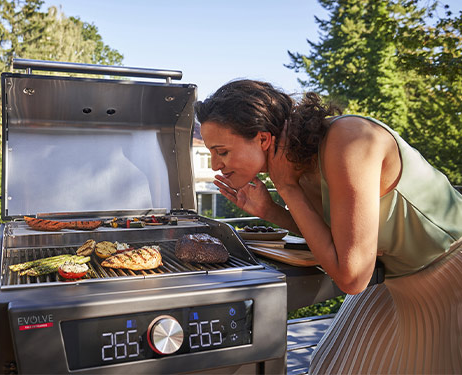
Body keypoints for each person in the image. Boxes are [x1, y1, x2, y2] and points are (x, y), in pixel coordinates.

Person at [195, 79, 462, 374]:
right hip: (396, 281)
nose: (215, 165)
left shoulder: (350, 141)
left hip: (447, 277)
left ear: (262, 139)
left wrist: (286, 188)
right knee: (332, 366)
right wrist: (269, 210)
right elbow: (333, 235)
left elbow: (352, 278)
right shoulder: (300, 158)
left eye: (221, 151)